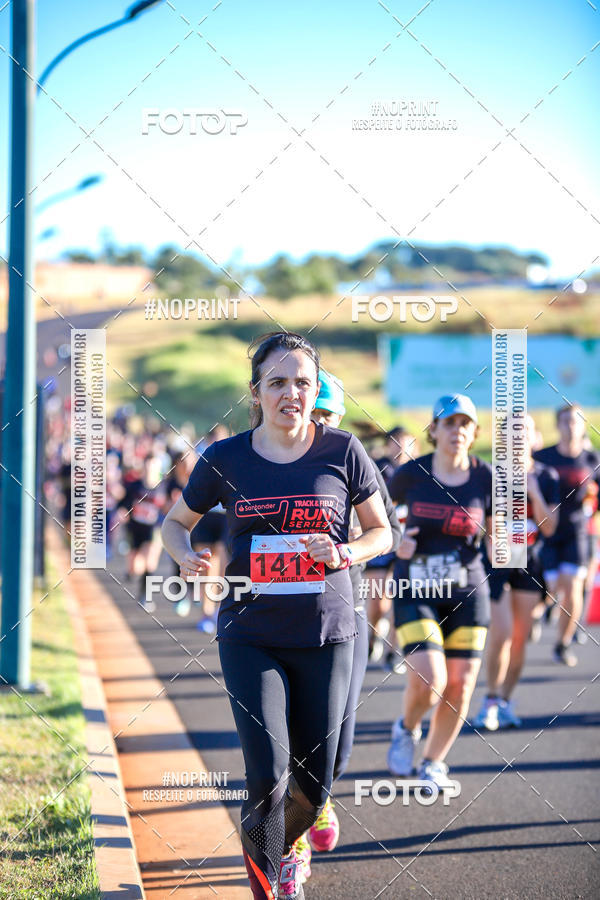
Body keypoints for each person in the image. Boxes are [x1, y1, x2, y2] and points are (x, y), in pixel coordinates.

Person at [161, 332, 392, 900]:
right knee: (267, 776)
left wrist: (344, 552)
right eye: (278, 382)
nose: (292, 393)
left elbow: (381, 532)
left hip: (327, 633)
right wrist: (184, 555)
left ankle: (282, 845)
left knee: (315, 788)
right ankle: (269, 882)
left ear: (316, 391)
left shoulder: (343, 451)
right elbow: (174, 522)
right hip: (251, 634)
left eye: (303, 383)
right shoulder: (226, 458)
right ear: (256, 392)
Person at [304, 369, 401, 866]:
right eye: (314, 412)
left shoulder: (352, 458)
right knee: (280, 729)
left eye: (328, 414)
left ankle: (319, 795)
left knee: (337, 738)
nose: (319, 422)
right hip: (277, 610)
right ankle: (293, 824)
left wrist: (346, 549)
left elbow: (388, 532)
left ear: (340, 417)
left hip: (345, 607)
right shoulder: (265, 457)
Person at [386, 394, 492, 790]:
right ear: (434, 429)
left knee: (461, 684)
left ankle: (433, 762)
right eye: (449, 423)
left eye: (465, 424)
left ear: (474, 432)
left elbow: (508, 542)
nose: (457, 431)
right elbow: (373, 517)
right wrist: (396, 541)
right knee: (431, 679)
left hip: (468, 592)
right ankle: (406, 727)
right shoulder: (410, 474)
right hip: (415, 588)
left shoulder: (488, 478)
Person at [474, 415, 559, 730]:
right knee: (502, 633)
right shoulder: (491, 474)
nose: (518, 437)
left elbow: (550, 527)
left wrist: (534, 492)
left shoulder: (546, 476)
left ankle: (506, 701)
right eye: (511, 432)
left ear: (534, 437)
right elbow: (482, 523)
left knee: (520, 639)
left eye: (524, 431)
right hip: (497, 561)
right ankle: (490, 700)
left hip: (529, 563)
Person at [534, 405, 600, 665]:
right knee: (553, 588)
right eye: (565, 421)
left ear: (583, 425)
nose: (570, 426)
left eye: (575, 421)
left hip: (578, 533)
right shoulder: (543, 457)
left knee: (573, 589)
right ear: (557, 425)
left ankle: (562, 643)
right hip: (546, 533)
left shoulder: (592, 459)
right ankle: (541, 610)